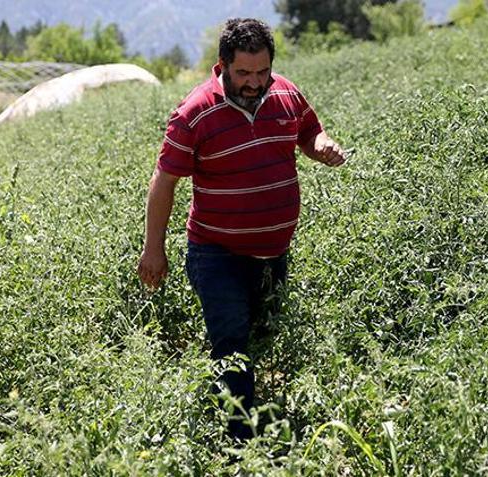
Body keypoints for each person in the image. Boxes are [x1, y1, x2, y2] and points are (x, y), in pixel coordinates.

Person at [137, 18, 346, 440]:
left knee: (265, 330)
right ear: (223, 66)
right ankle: (239, 444)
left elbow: (308, 130)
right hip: (217, 253)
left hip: (274, 251)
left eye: (262, 72)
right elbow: (163, 182)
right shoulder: (195, 113)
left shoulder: (285, 93)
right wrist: (152, 249)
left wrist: (320, 147)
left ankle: (262, 409)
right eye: (243, 74)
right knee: (232, 341)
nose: (254, 83)